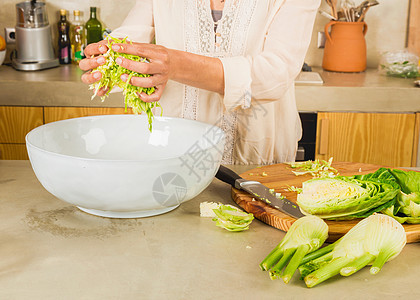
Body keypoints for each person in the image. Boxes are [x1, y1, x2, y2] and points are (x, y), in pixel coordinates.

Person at [79, 0, 321, 165]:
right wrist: (110, 56)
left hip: (255, 164)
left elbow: (275, 74)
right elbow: (132, 33)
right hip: (171, 158)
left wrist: (175, 64)